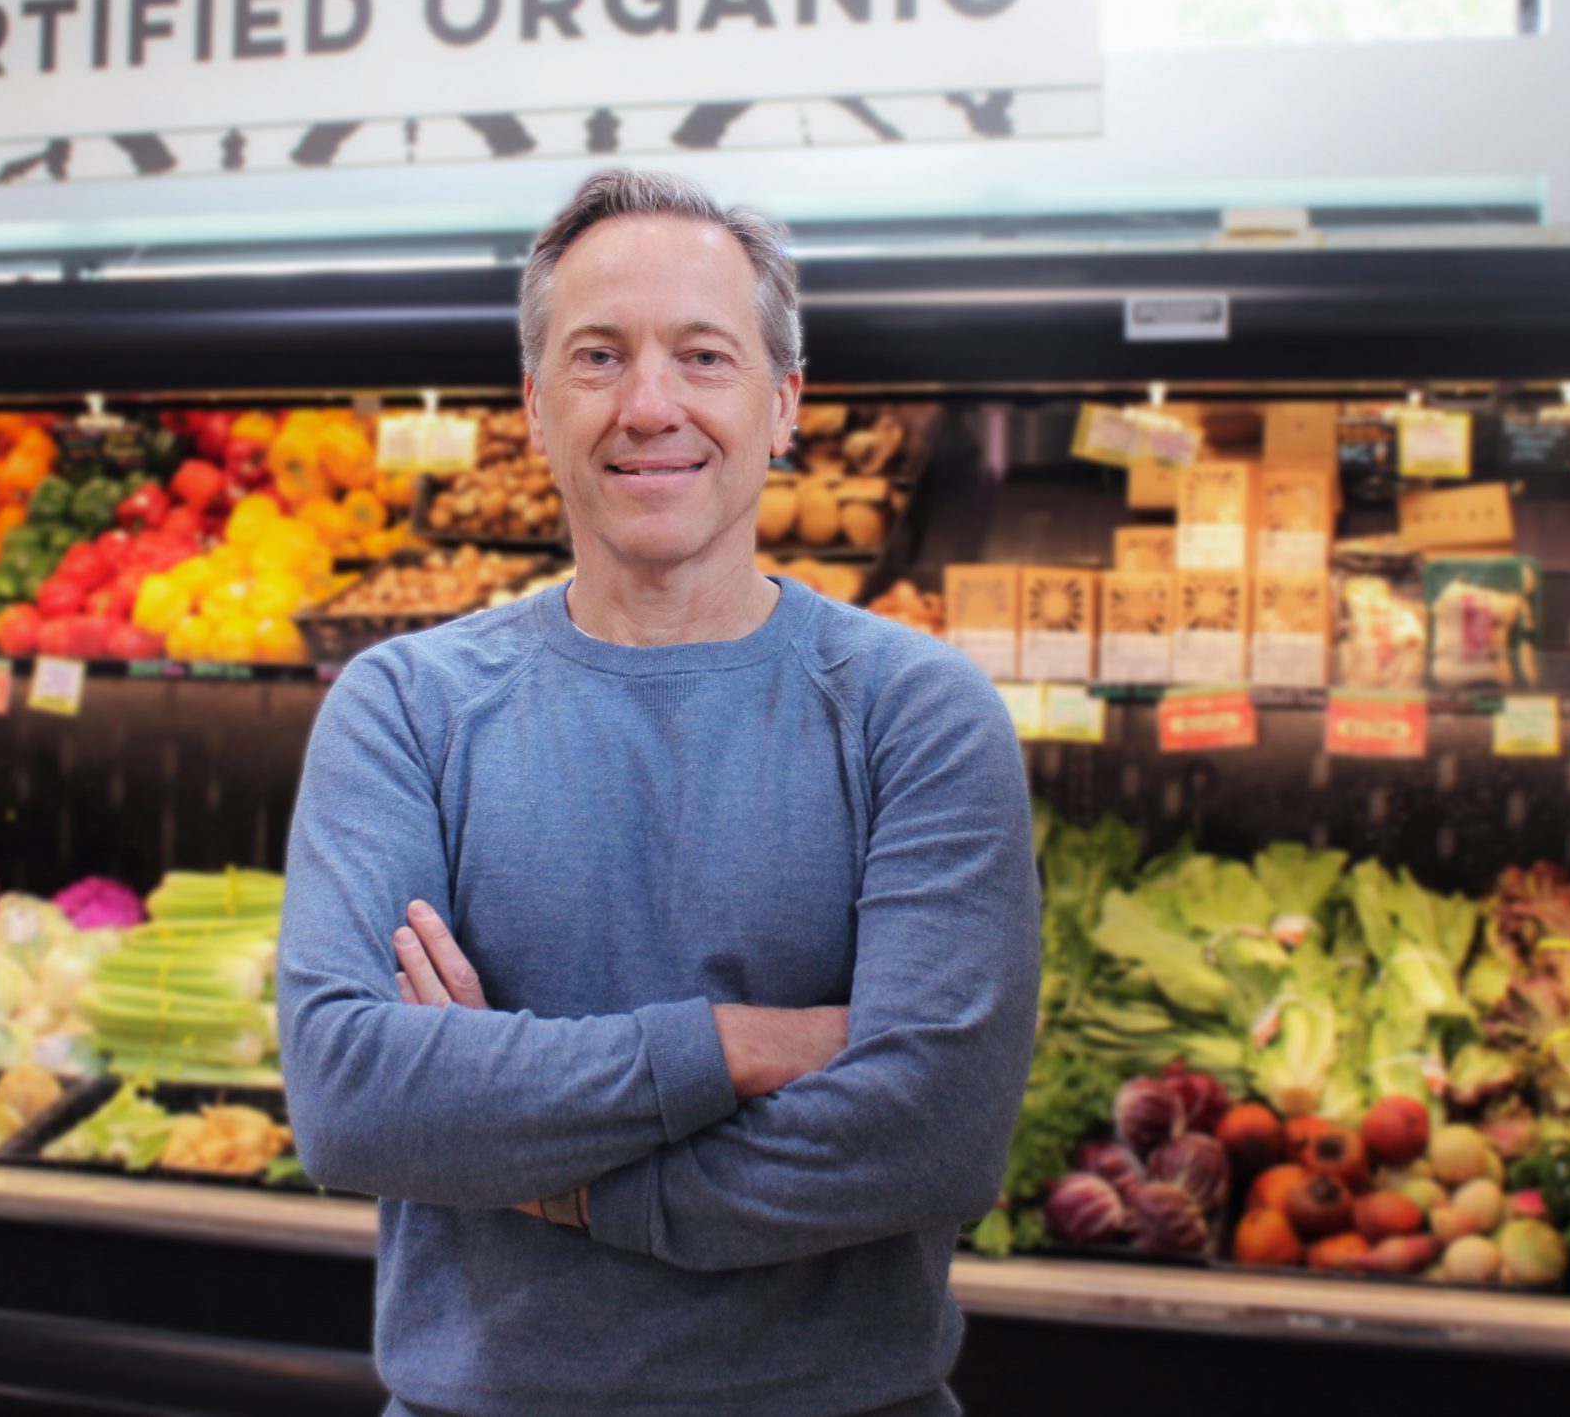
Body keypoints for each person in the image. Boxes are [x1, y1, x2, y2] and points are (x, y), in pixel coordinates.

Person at [277, 167, 1039, 1417]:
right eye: (595, 358)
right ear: (532, 406)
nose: (648, 404)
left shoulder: (917, 711)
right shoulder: (404, 707)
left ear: (784, 401)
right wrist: (744, 1046)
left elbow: (931, 1136)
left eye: (702, 356)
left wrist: (554, 1175)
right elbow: (354, 1099)